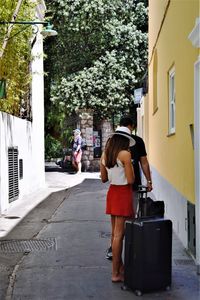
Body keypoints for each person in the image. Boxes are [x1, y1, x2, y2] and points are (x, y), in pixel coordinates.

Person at [106, 115, 153, 260]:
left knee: (115, 224)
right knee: (127, 220)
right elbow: (144, 162)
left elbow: (105, 166)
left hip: (114, 186)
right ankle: (126, 250)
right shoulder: (137, 141)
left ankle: (113, 249)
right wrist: (149, 181)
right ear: (131, 126)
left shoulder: (111, 141)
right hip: (130, 186)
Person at [100, 126, 135, 282]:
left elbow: (103, 179)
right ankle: (115, 273)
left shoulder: (105, 154)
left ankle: (120, 267)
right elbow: (131, 179)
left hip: (112, 192)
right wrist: (130, 164)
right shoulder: (125, 154)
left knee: (115, 234)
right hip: (123, 193)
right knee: (119, 236)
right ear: (124, 140)